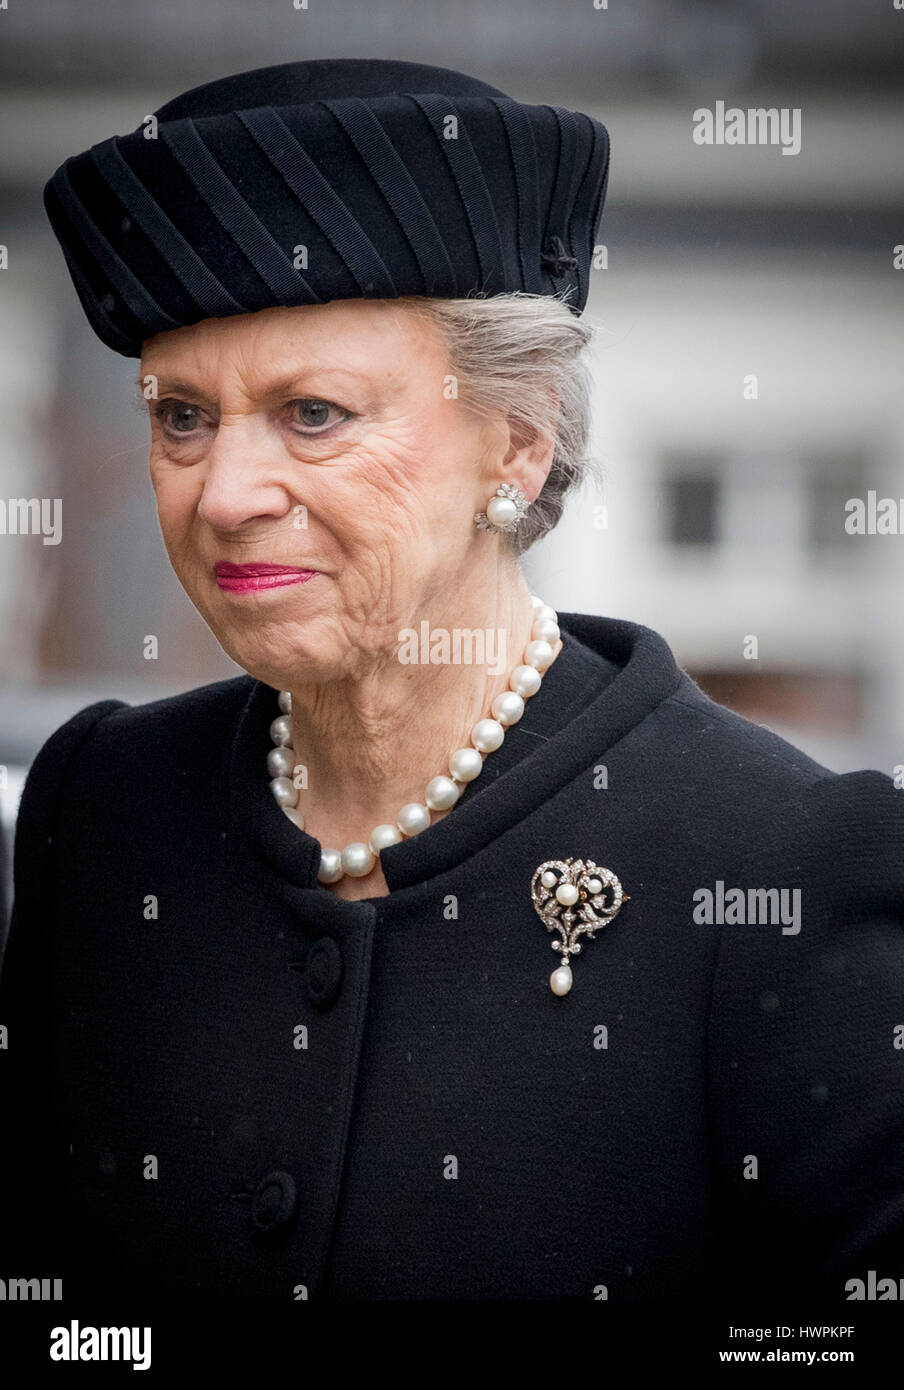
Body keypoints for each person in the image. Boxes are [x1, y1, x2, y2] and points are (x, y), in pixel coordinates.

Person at [1, 58, 902, 1303]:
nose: (223, 494)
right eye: (182, 417)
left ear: (517, 449)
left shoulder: (779, 857)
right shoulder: (102, 810)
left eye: (312, 413)